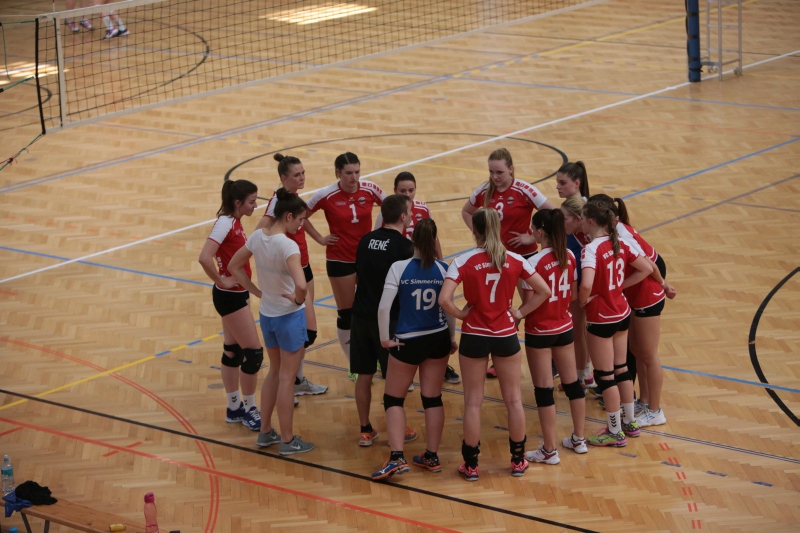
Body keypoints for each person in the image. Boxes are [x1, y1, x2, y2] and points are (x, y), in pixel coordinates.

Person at [439, 208, 551, 481]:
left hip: (474, 334)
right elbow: (544, 291)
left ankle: (471, 466)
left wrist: (462, 315)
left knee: (473, 402)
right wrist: (520, 313)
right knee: (513, 400)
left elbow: (444, 300)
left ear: (475, 230)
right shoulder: (515, 259)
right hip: (505, 334)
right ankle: (518, 461)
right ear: (498, 229)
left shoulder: (462, 261)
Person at [370, 219, 457, 480]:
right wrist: (451, 338)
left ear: (412, 240)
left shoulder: (399, 267)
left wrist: (385, 339)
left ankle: (397, 458)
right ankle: (431, 456)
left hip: (407, 340)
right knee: (432, 398)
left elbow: (384, 308)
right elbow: (448, 308)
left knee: (394, 399)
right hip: (438, 338)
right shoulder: (444, 269)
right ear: (434, 240)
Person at [228, 189, 313, 455]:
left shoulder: (257, 237)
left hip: (267, 316)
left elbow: (233, 266)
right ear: (288, 216)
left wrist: (256, 291)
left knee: (274, 373)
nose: (301, 225)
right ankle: (287, 440)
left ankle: (265, 432)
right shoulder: (288, 246)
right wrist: (298, 300)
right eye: (300, 219)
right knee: (287, 378)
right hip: (289, 317)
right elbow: (302, 285)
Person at [461, 148, 555, 379]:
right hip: (495, 260)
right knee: (498, 308)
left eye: (499, 172)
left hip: (524, 259)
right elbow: (466, 211)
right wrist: (481, 235)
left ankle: (549, 359)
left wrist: (531, 237)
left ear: (511, 169)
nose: (494, 176)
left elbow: (553, 214)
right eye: (491, 171)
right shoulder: (484, 190)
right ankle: (500, 356)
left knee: (530, 308)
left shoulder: (524, 189)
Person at [590, 194, 676, 427]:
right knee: (638, 351)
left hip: (648, 296)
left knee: (649, 355)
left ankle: (656, 411)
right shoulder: (609, 234)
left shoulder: (622, 235)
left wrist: (663, 285)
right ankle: (645, 402)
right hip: (636, 296)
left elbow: (649, 266)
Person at [579, 200, 653, 447]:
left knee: (605, 375)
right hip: (622, 312)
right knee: (622, 368)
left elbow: (587, 283)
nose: (580, 222)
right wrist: (618, 287)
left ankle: (614, 432)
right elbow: (645, 268)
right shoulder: (619, 242)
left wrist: (583, 300)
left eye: (582, 219)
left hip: (601, 316)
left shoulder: (591, 249)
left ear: (591, 222)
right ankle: (630, 422)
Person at [374, 171, 459, 385]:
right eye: (403, 190)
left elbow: (433, 236)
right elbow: (380, 240)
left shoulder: (422, 208)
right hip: (400, 272)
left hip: (422, 267)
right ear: (395, 191)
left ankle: (438, 365)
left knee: (429, 314)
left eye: (411, 190)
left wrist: (440, 262)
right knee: (401, 315)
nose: (407, 194)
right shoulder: (388, 212)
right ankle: (397, 362)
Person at [305, 152, 385, 376]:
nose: (354, 177)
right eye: (349, 173)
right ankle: (354, 364)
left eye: (357, 172)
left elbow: (393, 208)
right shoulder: (326, 194)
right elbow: (300, 215)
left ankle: (377, 356)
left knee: (374, 309)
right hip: (340, 259)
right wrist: (320, 238)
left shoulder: (370, 188)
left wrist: (379, 234)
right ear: (338, 173)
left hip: (367, 258)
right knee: (347, 313)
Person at [255, 153, 328, 398]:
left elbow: (302, 218)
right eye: (296, 175)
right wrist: (271, 258)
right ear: (283, 177)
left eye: (303, 173)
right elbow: (260, 232)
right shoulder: (277, 202)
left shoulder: (292, 198)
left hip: (303, 265)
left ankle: (295, 381)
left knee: (305, 329)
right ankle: (288, 382)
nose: (302, 178)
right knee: (303, 329)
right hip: (291, 270)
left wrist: (319, 239)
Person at [350, 194, 415, 447]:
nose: (411, 216)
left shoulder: (365, 240)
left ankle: (365, 429)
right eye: (409, 212)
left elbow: (358, 276)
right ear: (403, 216)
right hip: (389, 320)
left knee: (363, 375)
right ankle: (397, 429)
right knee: (394, 379)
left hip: (361, 316)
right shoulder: (404, 247)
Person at [522, 209, 587, 465]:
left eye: (533, 229)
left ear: (540, 232)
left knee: (544, 390)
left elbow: (529, 301)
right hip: (564, 327)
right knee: (573, 385)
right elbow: (573, 295)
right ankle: (579, 439)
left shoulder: (534, 263)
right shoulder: (569, 255)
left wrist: (518, 314)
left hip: (539, 331)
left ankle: (549, 451)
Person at [198, 179, 262, 432]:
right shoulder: (225, 223)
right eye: (252, 202)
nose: (255, 205)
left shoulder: (234, 221)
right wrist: (221, 280)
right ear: (238, 203)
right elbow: (204, 257)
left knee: (232, 351)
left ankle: (234, 408)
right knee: (253, 354)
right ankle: (250, 409)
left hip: (236, 294)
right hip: (230, 296)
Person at [555, 163, 593, 388]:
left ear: (577, 183)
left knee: (580, 330)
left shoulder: (584, 214)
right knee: (579, 329)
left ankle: (584, 375)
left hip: (583, 280)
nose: (558, 187)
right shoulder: (568, 210)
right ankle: (584, 373)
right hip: (575, 277)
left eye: (563, 183)